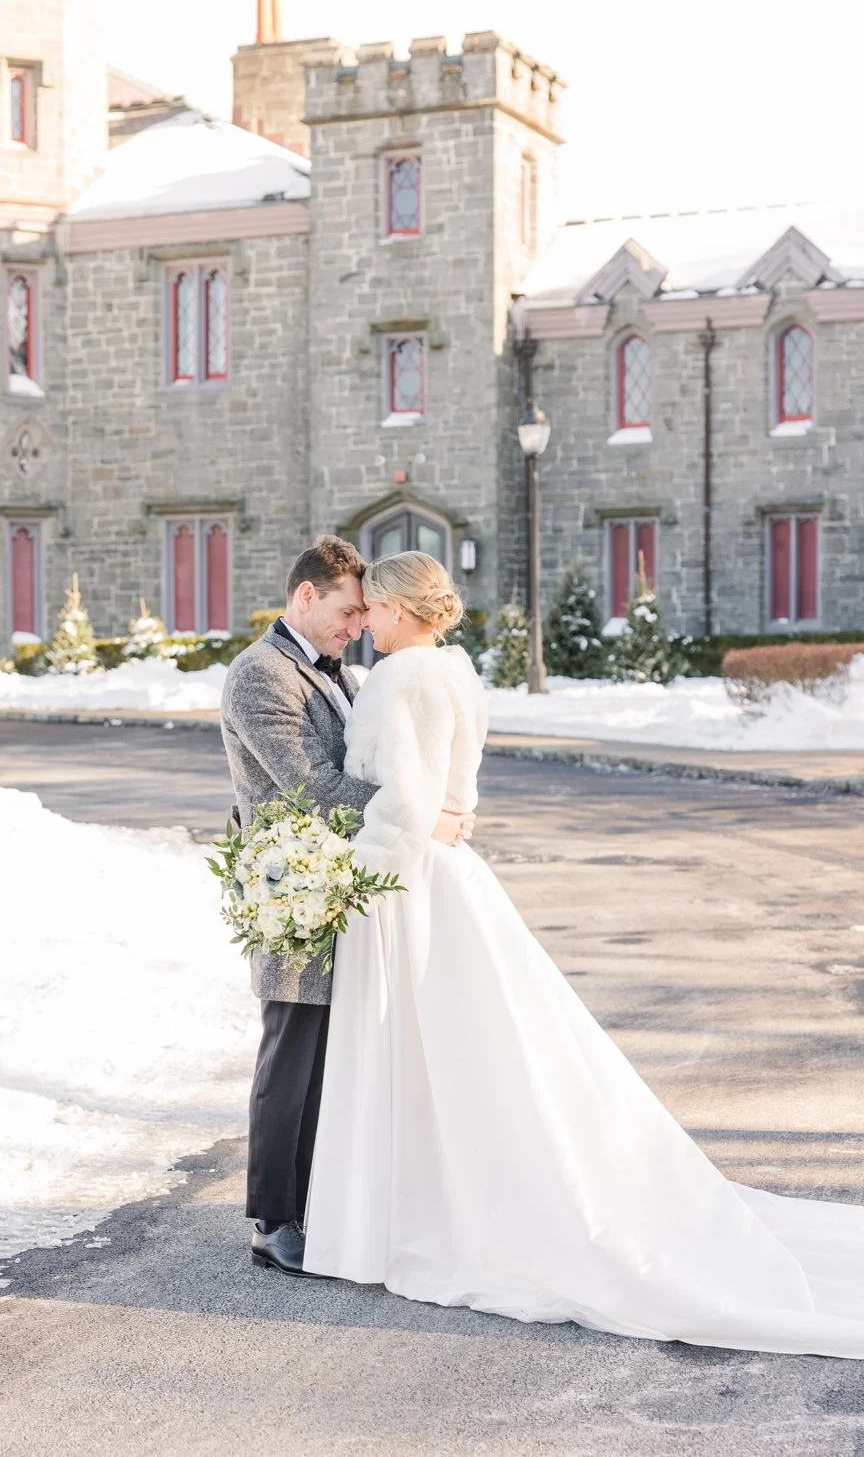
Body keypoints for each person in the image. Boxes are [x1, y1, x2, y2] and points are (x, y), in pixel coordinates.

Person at [303, 550, 864, 1358]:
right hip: (454, 874)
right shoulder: (458, 672)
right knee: (475, 1048)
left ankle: (406, 1213)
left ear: (399, 611)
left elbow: (407, 805)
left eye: (375, 612)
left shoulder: (398, 679)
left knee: (418, 1048)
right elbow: (454, 793)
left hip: (406, 883)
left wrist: (358, 875)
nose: (367, 626)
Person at [219, 537, 474, 1276]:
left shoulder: (343, 674)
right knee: (292, 1051)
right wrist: (423, 815)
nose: (358, 625)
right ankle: (273, 1219)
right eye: (348, 610)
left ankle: (321, 1199)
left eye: (367, 613)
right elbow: (313, 786)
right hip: (295, 891)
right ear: (306, 597)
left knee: (337, 1054)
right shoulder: (260, 676)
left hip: (347, 882)